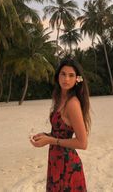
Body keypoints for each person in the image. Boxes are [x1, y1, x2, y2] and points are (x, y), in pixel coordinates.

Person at [30, 58, 91, 191]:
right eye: (63, 74)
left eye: (71, 75)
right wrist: (46, 136)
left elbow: (83, 143)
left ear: (77, 79)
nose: (66, 79)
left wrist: (51, 140)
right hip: (56, 162)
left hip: (68, 166)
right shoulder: (59, 98)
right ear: (57, 76)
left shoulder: (72, 103)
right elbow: (61, 132)